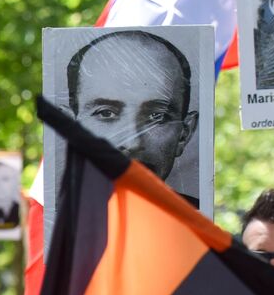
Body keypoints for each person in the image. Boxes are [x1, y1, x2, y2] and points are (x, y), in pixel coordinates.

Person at [66, 30, 201, 205]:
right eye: (106, 113)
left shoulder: (201, 227)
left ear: (184, 134)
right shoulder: (47, 227)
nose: (132, 143)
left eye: (156, 116)